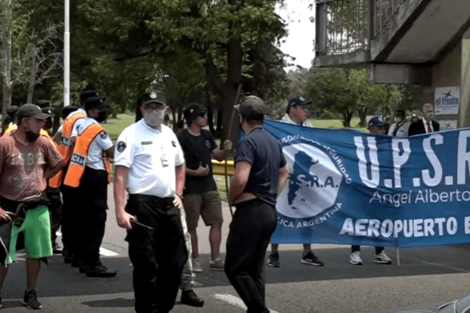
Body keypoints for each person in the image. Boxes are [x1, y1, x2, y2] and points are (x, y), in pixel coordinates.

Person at [114, 91, 187, 313]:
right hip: (142, 205)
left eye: (159, 107)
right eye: (150, 107)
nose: (155, 111)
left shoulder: (169, 134)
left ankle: (163, 308)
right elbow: (119, 175)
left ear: (166, 110)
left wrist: (179, 192)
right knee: (146, 265)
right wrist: (120, 210)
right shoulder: (131, 134)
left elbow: (180, 164)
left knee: (175, 262)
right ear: (142, 109)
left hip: (168, 204)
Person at [225, 95, 289, 313]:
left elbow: (241, 178)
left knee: (235, 268)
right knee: (254, 269)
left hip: (251, 212)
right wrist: (272, 195)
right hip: (269, 211)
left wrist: (232, 198)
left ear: (242, 119)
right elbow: (284, 171)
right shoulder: (273, 141)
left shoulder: (248, 142)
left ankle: (260, 310)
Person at [0, 104, 64, 309]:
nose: (42, 124)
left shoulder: (43, 142)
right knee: (2, 255)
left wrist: (43, 178)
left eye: (43, 120)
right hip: (8, 207)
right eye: (38, 120)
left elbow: (60, 162)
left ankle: (30, 292)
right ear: (24, 121)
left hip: (37, 205)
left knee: (36, 253)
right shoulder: (5, 143)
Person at [62, 96, 115, 277]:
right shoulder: (97, 129)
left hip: (79, 174)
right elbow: (111, 152)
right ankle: (92, 262)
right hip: (95, 176)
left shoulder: (79, 124)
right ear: (93, 110)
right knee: (96, 221)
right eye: (101, 109)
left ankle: (79, 256)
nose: (104, 112)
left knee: (80, 218)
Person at [268, 96, 324, 268]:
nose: (306, 110)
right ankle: (274, 252)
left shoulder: (309, 127)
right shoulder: (279, 127)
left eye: (306, 107)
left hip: (304, 178)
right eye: (302, 107)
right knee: (279, 214)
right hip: (285, 176)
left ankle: (307, 252)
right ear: (292, 108)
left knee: (307, 215)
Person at [177, 102, 232, 273]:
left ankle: (215, 259)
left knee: (217, 221)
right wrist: (195, 173)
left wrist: (226, 151)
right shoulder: (181, 137)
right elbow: (175, 165)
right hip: (190, 189)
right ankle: (194, 259)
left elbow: (220, 157)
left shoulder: (207, 135)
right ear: (193, 118)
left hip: (210, 187)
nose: (205, 118)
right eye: (202, 115)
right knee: (191, 226)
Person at [51, 90, 100, 266]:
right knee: (80, 215)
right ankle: (77, 253)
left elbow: (57, 138)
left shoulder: (71, 117)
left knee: (70, 213)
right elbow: (74, 139)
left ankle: (69, 250)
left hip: (66, 167)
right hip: (78, 169)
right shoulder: (82, 120)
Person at [349, 116, 392, 266]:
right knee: (360, 220)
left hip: (380, 188)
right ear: (371, 128)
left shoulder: (387, 145)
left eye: (384, 128)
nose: (383, 130)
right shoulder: (361, 144)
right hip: (363, 187)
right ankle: (355, 251)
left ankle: (379, 251)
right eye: (379, 127)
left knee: (379, 221)